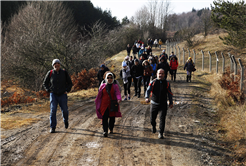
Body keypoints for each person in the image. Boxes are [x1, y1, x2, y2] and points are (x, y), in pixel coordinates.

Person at [43, 59, 73, 133]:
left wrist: (67, 90)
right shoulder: (50, 73)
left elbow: (70, 83)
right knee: (53, 111)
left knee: (65, 110)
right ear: (53, 65)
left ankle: (65, 120)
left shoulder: (64, 72)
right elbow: (45, 83)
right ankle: (53, 127)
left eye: (58, 63)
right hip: (53, 94)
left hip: (63, 94)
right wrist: (48, 90)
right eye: (55, 64)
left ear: (60, 64)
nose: (56, 65)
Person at [145, 69, 173, 139]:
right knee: (152, 119)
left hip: (163, 104)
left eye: (162, 73)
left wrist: (171, 102)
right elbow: (148, 90)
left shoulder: (167, 83)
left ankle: (161, 132)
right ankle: (153, 126)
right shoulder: (153, 82)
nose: (160, 75)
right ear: (157, 74)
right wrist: (146, 97)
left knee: (162, 119)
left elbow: (169, 93)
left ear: (164, 74)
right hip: (154, 103)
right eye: (159, 73)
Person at [95, 72, 122, 137]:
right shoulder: (103, 86)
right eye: (108, 78)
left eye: (111, 78)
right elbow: (99, 95)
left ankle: (111, 128)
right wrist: (97, 101)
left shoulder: (115, 86)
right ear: (106, 78)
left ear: (112, 78)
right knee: (104, 117)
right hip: (104, 104)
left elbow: (117, 93)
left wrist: (119, 99)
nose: (109, 79)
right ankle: (105, 131)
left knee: (112, 117)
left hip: (112, 104)